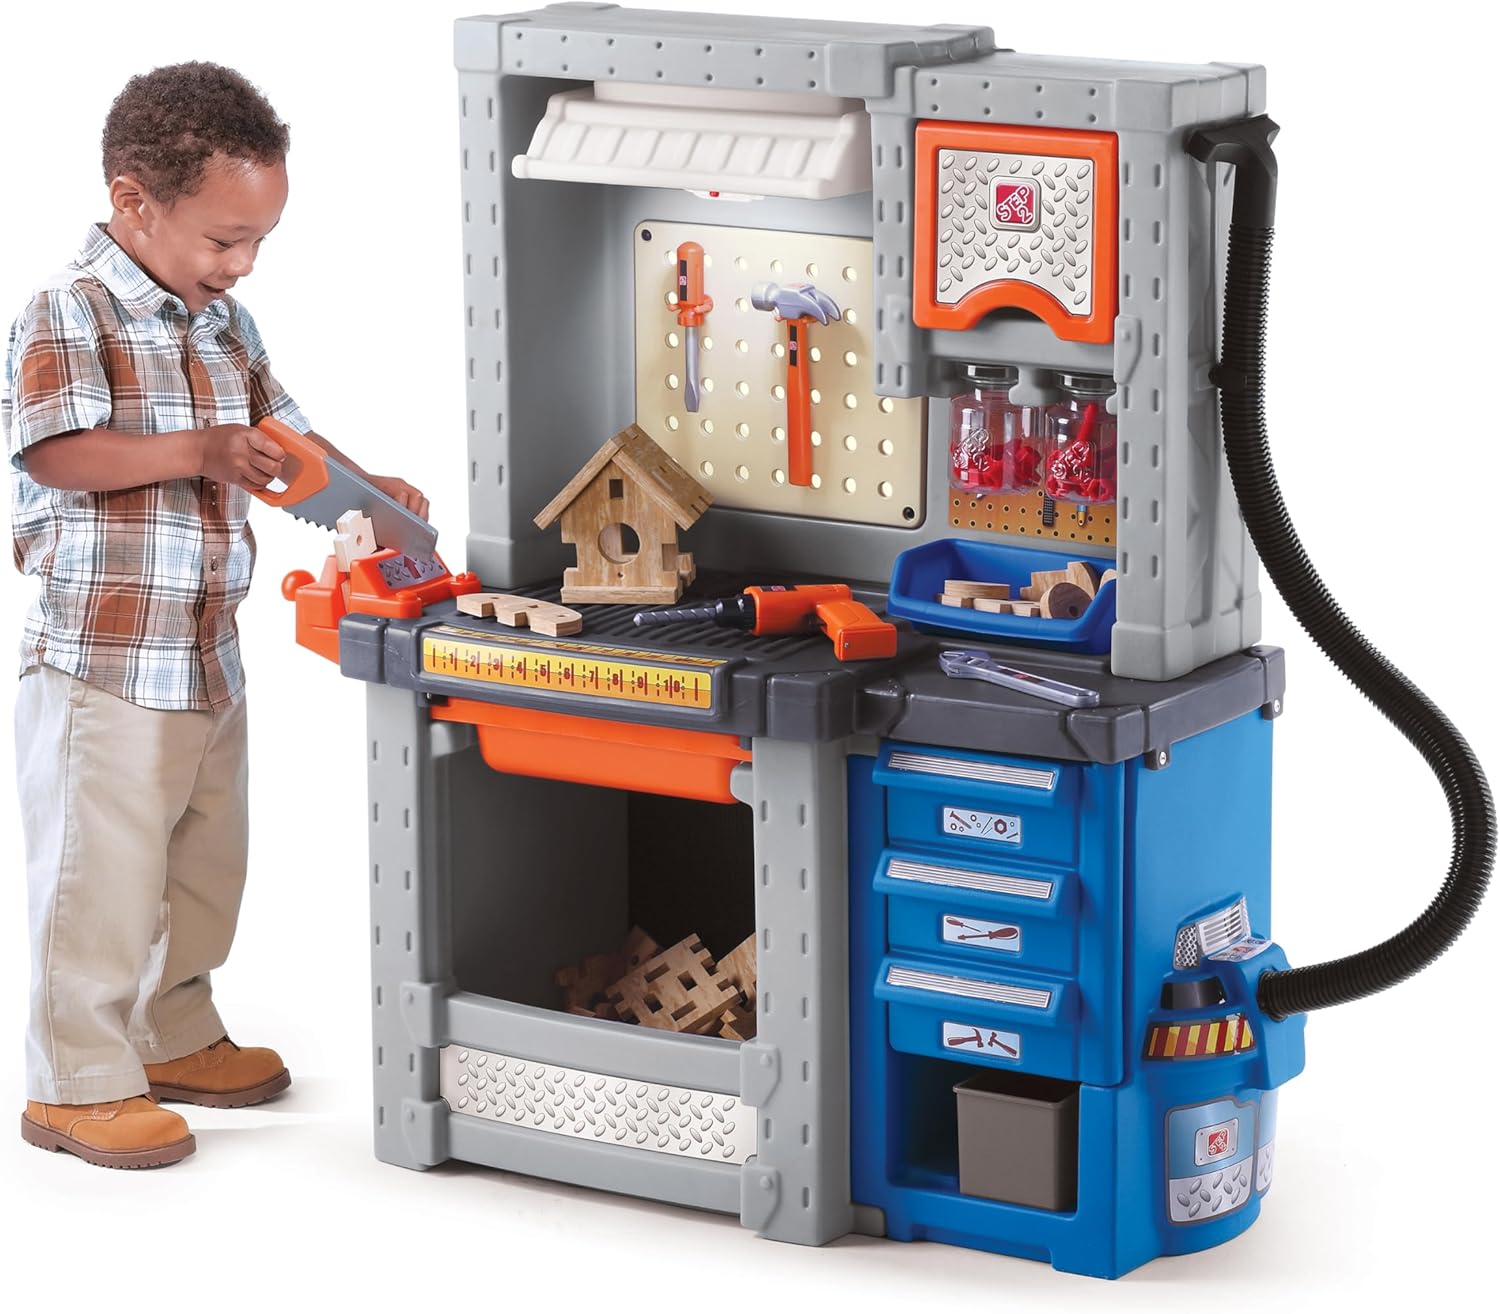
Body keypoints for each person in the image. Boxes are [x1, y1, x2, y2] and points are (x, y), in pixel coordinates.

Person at [3, 62, 428, 1168]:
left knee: (202, 863)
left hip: (205, 653)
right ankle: (76, 1083)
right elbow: (54, 450)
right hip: (104, 660)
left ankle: (171, 1031)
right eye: (224, 239)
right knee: (99, 880)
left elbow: (283, 438)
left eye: (258, 243)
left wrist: (367, 488)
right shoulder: (70, 308)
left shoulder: (224, 322)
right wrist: (198, 449)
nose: (241, 264)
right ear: (134, 200)